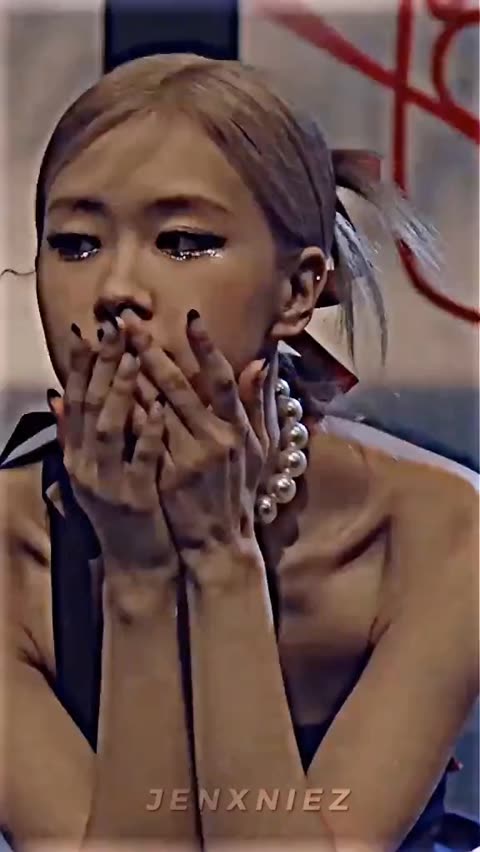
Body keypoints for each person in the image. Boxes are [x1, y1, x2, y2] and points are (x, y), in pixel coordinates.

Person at [0, 53, 478, 852]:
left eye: (183, 241)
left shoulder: (443, 530)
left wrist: (221, 559)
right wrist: (141, 575)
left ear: (298, 290)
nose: (116, 289)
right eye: (76, 244)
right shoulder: (7, 549)